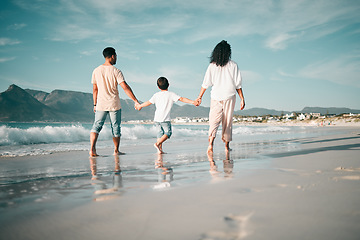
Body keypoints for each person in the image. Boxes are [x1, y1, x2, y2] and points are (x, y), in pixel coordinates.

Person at [196, 40, 245, 153]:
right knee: (227, 121)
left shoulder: (212, 66)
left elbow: (205, 83)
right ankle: (226, 147)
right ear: (228, 52)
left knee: (213, 121)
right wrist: (242, 98)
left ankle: (210, 145)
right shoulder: (233, 65)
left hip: (216, 96)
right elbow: (238, 84)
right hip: (229, 95)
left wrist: (200, 97)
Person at [90, 47, 140, 156]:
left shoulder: (96, 70)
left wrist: (95, 104)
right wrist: (135, 100)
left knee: (96, 126)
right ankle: (116, 151)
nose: (116, 58)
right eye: (116, 56)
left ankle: (92, 149)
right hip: (114, 104)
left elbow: (95, 89)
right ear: (112, 56)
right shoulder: (116, 71)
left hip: (100, 104)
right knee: (115, 127)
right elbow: (125, 87)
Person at [136, 77, 197, 154]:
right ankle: (157, 144)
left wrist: (140, 106)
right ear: (168, 85)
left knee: (160, 134)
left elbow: (148, 102)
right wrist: (193, 102)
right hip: (165, 118)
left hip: (157, 118)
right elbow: (181, 99)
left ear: (158, 86)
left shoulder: (156, 95)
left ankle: (159, 150)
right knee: (168, 133)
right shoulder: (171, 94)